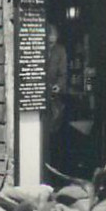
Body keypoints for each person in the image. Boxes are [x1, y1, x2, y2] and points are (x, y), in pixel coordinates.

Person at [46, 24, 67, 166]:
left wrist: (58, 86)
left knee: (55, 128)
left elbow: (63, 73)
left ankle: (55, 161)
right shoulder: (38, 48)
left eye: (54, 36)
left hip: (54, 97)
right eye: (49, 35)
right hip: (39, 94)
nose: (51, 39)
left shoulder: (60, 51)